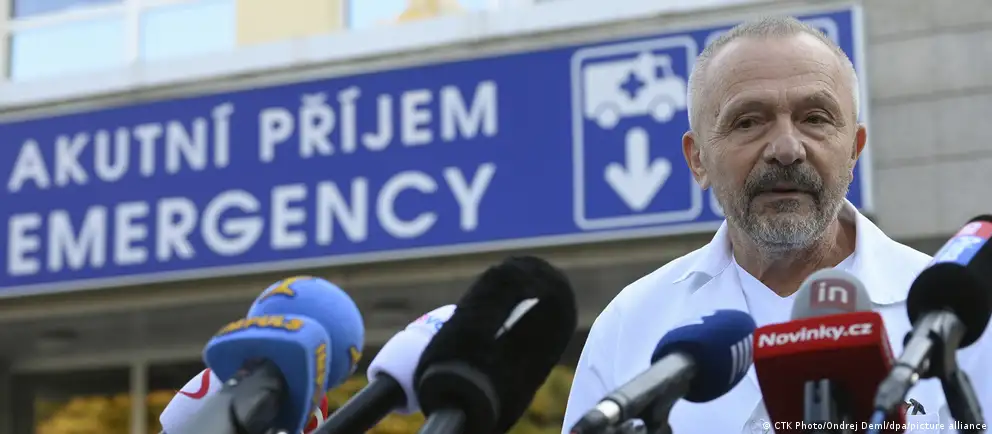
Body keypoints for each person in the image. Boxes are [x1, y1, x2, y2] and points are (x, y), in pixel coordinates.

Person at [562, 16, 992, 434]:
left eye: (815, 118)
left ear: (854, 150)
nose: (786, 149)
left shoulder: (963, 320)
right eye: (748, 121)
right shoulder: (629, 324)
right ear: (698, 160)